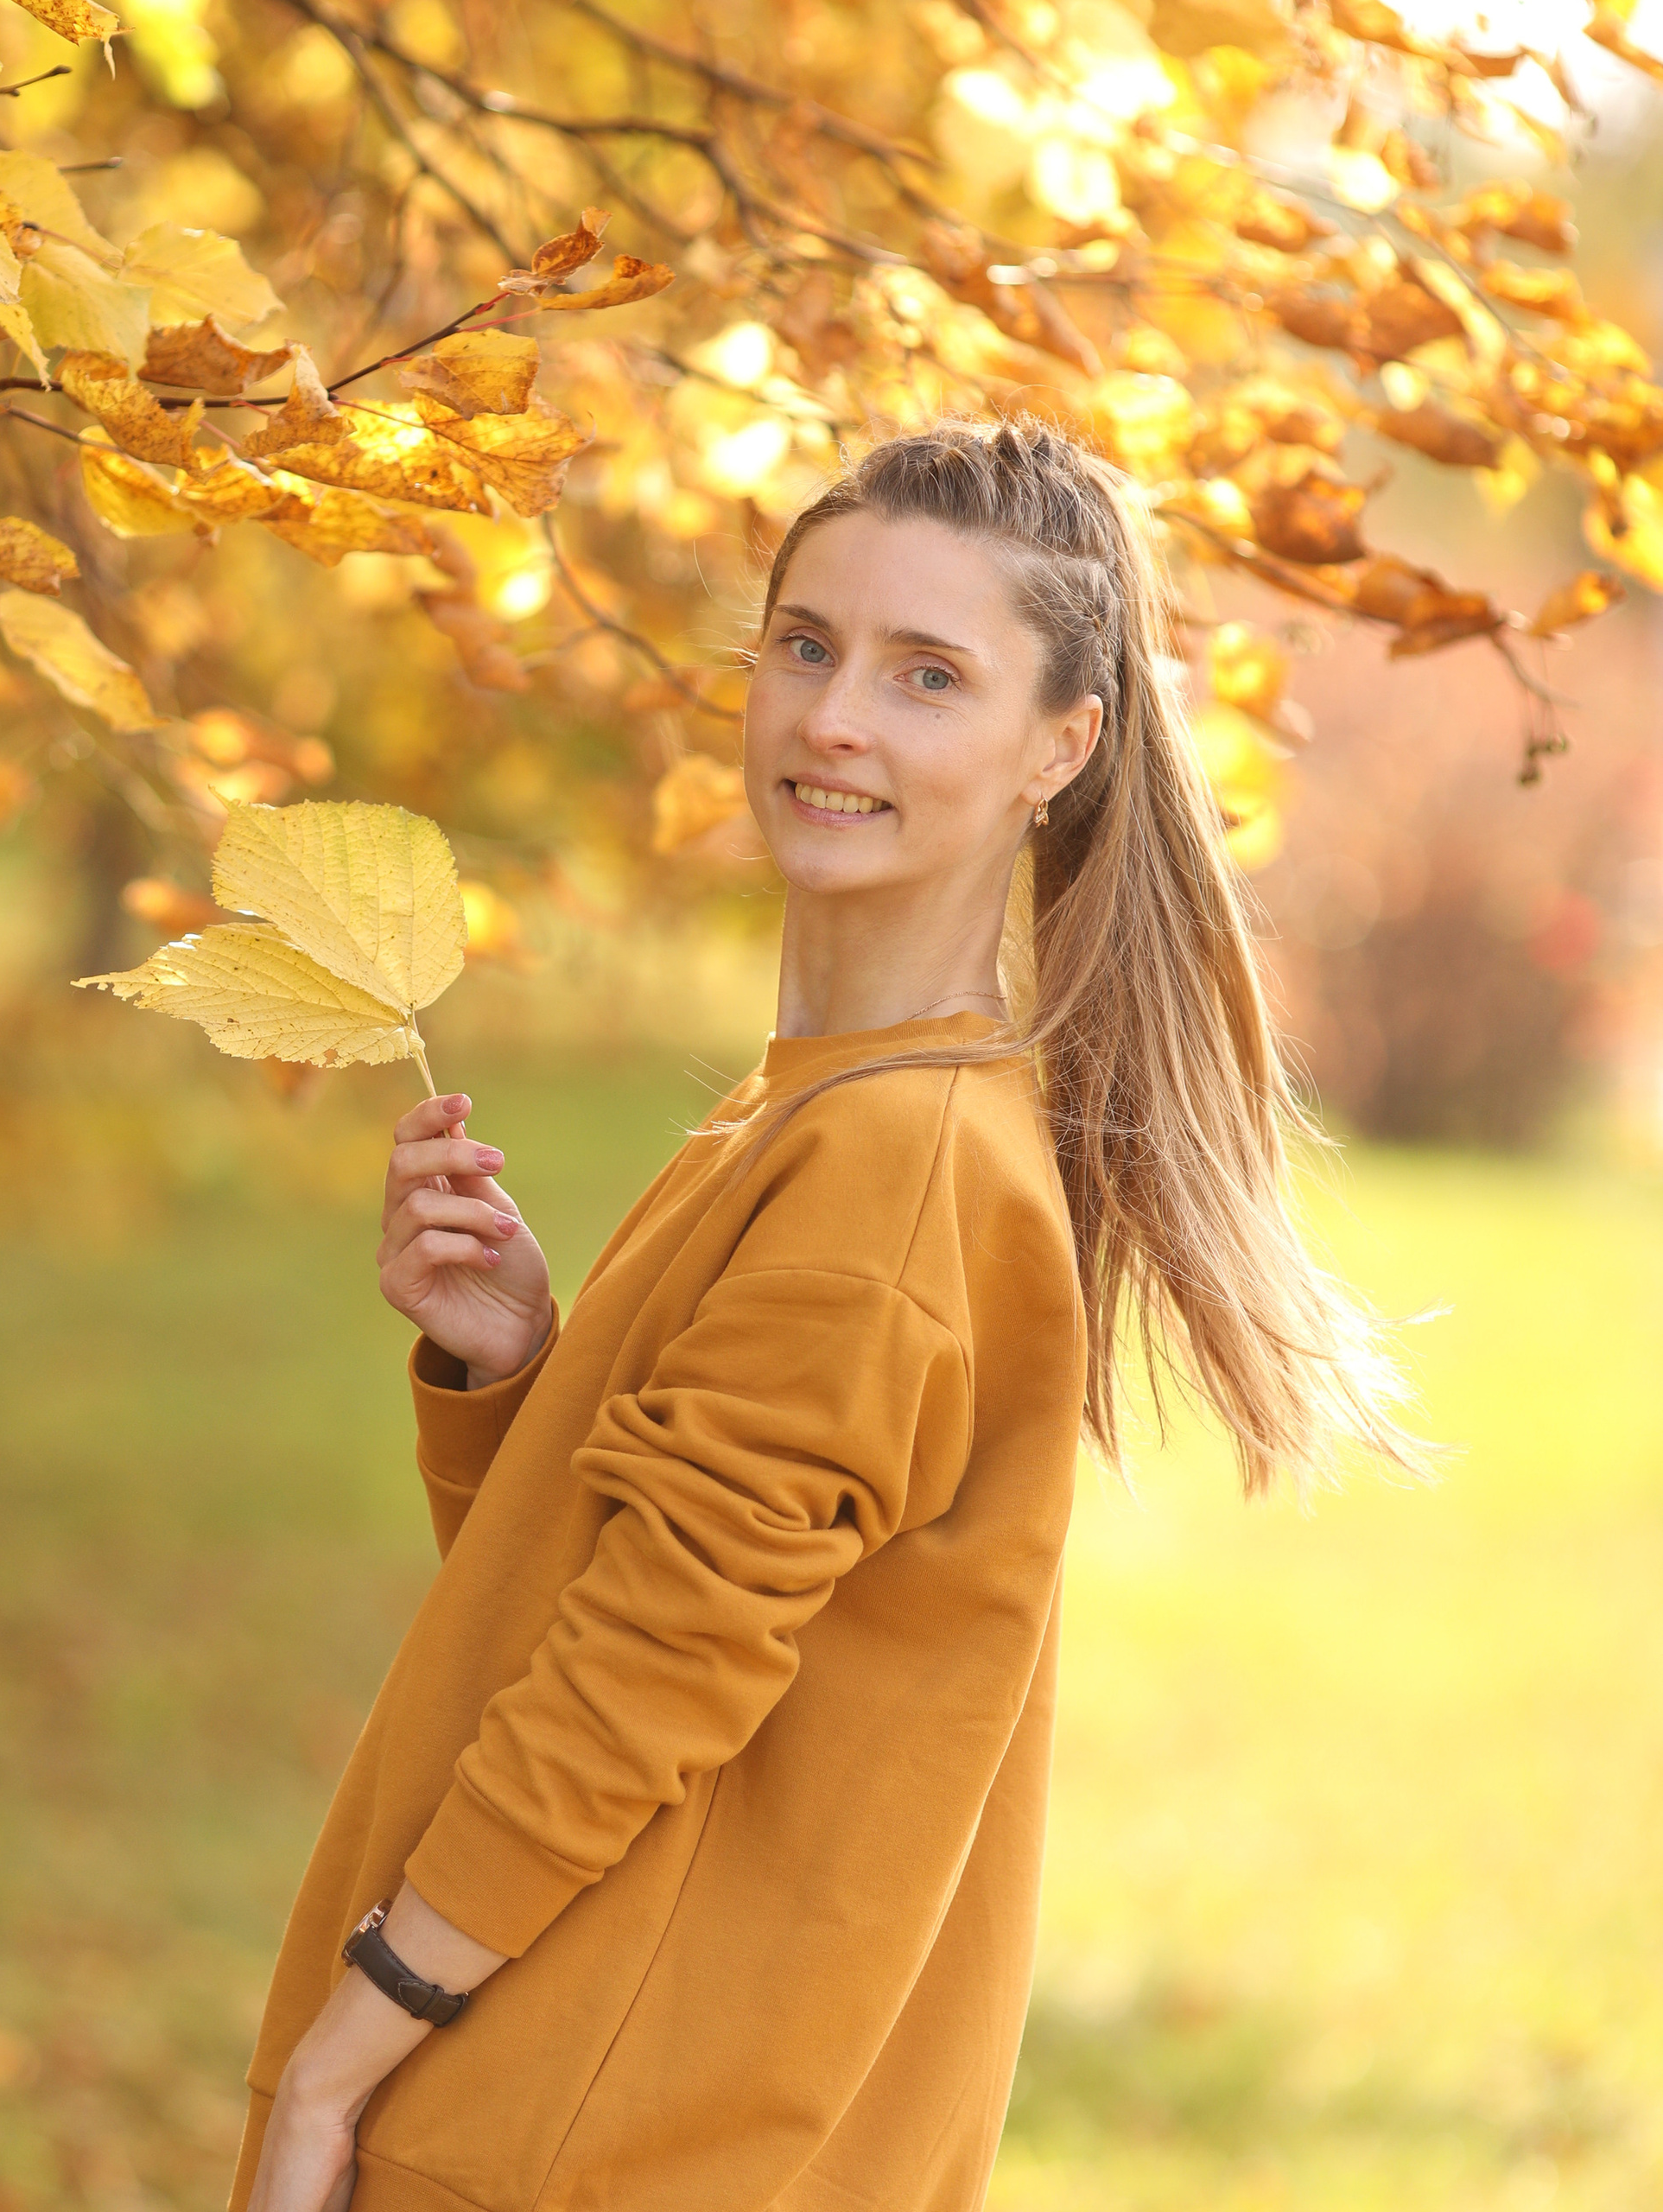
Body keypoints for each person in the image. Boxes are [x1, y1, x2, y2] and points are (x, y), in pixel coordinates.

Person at [232, 418, 1425, 2212]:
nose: (831, 717)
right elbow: (642, 1612)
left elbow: (649, 1678)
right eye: (804, 643)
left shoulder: (899, 1160)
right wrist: (508, 1377)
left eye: (924, 674)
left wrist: (342, 2057)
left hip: (578, 2136)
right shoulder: (825, 1110)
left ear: (1059, 747)